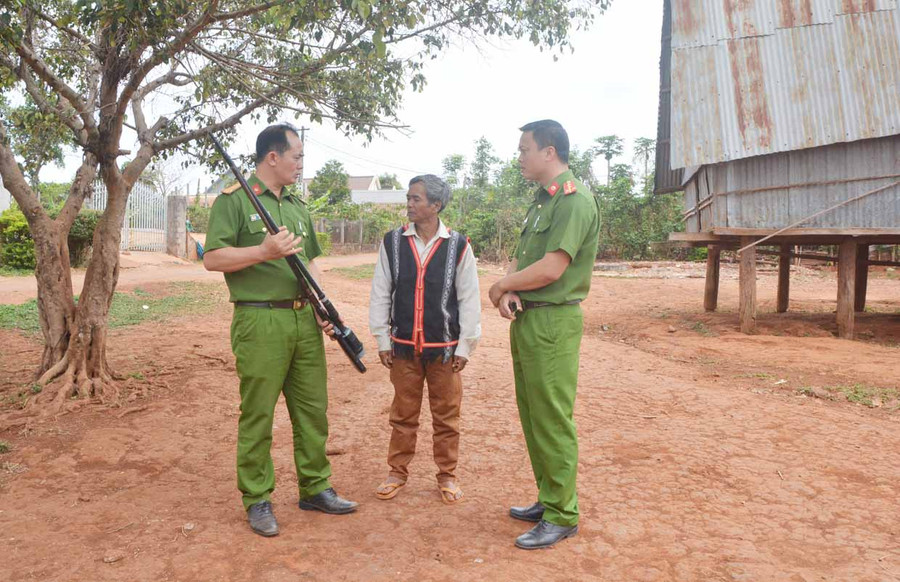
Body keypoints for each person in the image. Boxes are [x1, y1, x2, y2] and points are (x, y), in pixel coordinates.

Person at [204, 123, 358, 537]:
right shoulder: (233, 201)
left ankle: (315, 486)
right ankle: (257, 497)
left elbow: (311, 262)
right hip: (260, 320)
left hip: (303, 318)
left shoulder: (296, 205)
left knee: (312, 408)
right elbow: (213, 258)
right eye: (297, 157)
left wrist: (324, 305)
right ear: (273, 157)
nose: (301, 165)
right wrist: (263, 251)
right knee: (258, 413)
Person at [488, 120, 600, 550]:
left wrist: (501, 284)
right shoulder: (542, 202)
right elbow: (534, 269)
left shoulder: (572, 201)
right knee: (533, 413)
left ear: (548, 152)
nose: (519, 157)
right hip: (531, 318)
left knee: (552, 416)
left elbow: (553, 268)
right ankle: (549, 497)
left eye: (524, 150)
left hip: (553, 321)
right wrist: (513, 291)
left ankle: (562, 514)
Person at [369, 174, 481, 505]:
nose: (409, 204)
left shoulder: (459, 246)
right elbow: (380, 293)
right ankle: (397, 472)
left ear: (436, 205)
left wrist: (465, 346)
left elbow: (469, 299)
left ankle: (447, 475)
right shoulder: (392, 242)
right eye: (409, 198)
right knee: (403, 414)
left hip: (444, 350)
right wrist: (382, 339)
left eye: (416, 199)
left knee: (447, 416)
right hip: (403, 347)